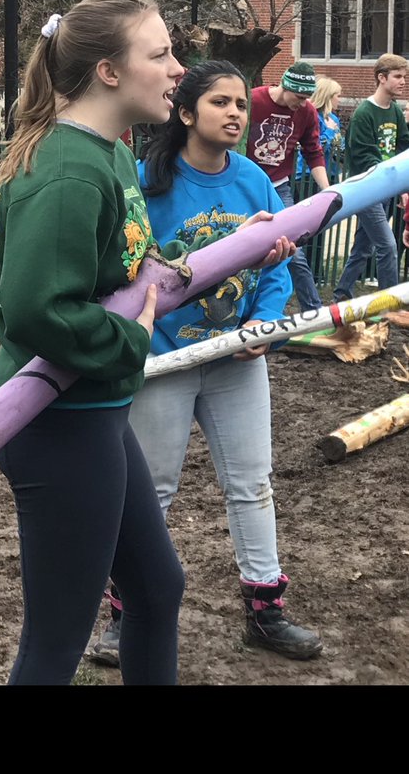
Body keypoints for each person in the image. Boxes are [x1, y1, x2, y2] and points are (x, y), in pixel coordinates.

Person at [88, 60, 323, 667]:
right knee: (152, 493)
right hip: (165, 359)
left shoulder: (253, 182)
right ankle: (125, 617)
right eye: (221, 103)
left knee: (252, 485)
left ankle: (265, 611)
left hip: (236, 361)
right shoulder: (149, 182)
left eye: (242, 104)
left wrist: (261, 325)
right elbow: (134, 274)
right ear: (187, 113)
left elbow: (277, 265)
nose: (236, 114)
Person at [0, 0, 186, 685]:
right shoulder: (70, 169)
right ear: (109, 70)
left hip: (95, 416)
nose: (176, 70)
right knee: (56, 638)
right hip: (59, 423)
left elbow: (122, 264)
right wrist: (132, 340)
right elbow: (33, 309)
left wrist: (228, 245)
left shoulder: (107, 152)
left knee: (156, 589)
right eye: (159, 54)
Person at [246, 60, 328, 313]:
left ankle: (314, 312)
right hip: (248, 183)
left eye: (307, 97)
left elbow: (314, 152)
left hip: (278, 186)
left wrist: (327, 191)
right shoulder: (254, 101)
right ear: (285, 86)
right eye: (299, 96)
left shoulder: (307, 112)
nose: (302, 102)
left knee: (294, 251)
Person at [333, 54, 409, 303]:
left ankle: (342, 292)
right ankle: (390, 305)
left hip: (386, 188)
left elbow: (402, 148)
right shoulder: (364, 113)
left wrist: (402, 187)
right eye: (398, 76)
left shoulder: (395, 111)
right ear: (381, 77)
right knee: (388, 246)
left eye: (404, 76)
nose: (403, 82)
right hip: (366, 190)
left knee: (363, 247)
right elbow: (366, 158)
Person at [294, 76, 344, 280]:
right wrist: (331, 134)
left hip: (329, 174)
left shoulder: (335, 119)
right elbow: (317, 146)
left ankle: (317, 271)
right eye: (338, 95)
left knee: (321, 225)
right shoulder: (312, 115)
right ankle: (306, 271)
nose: (340, 99)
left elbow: (339, 148)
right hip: (307, 176)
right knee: (307, 226)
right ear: (328, 96)